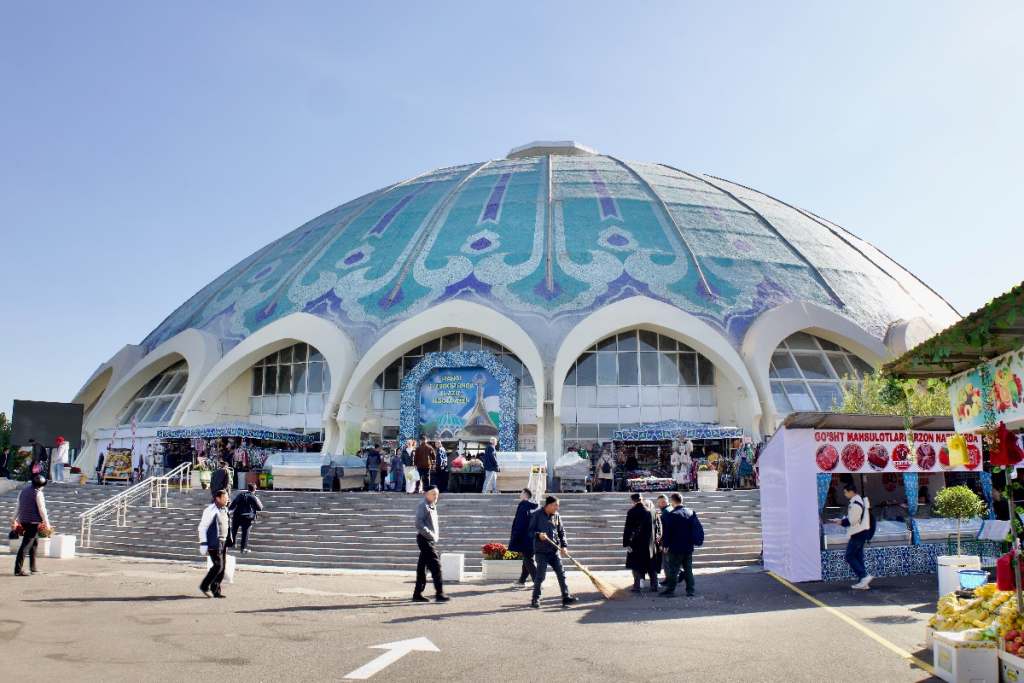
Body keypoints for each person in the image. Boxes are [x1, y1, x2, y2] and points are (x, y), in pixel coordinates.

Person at [528, 495, 578, 608]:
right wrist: (538, 535)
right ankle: (535, 599)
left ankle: (566, 597)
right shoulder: (536, 515)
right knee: (540, 576)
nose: (557, 508)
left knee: (561, 573)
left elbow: (561, 532)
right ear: (549, 505)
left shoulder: (556, 516)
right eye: (556, 505)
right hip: (541, 551)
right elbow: (530, 532)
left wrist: (564, 546)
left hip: (554, 550)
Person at [829, 483, 873, 590]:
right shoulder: (858, 502)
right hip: (861, 532)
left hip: (858, 533)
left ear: (851, 492)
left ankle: (864, 576)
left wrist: (839, 522)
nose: (844, 494)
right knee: (858, 557)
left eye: (845, 492)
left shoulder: (855, 504)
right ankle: (863, 582)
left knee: (849, 556)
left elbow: (851, 521)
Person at [659, 492, 704, 597]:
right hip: (688, 546)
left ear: (673, 501)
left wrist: (665, 545)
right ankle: (690, 590)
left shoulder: (672, 515)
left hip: (675, 547)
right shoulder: (690, 512)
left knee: (673, 569)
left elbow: (667, 532)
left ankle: (670, 590)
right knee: (688, 569)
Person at [413, 486, 450, 602]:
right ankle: (439, 593)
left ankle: (417, 594)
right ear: (426, 494)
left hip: (429, 539)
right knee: (436, 565)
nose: (436, 496)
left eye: (437, 494)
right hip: (425, 539)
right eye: (433, 494)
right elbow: (419, 523)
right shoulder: (423, 505)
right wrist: (430, 534)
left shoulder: (432, 505)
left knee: (422, 567)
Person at [11, 475, 51, 576]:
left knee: (34, 544)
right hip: (33, 522)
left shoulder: (23, 491)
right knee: (26, 545)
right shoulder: (38, 493)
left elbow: (18, 506)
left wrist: (13, 518)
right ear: (40, 485)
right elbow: (42, 510)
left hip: (23, 521)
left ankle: (33, 568)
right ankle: (18, 570)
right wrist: (47, 524)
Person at [198, 489, 231, 598]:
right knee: (218, 565)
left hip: (223, 541)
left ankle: (216, 590)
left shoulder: (224, 509)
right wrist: (203, 543)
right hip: (214, 542)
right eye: (225, 498)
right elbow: (202, 527)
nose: (227, 499)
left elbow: (226, 524)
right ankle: (204, 585)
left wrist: (229, 539)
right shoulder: (209, 510)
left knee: (222, 568)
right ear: (217, 498)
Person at [623, 493, 659, 592]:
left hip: (636, 543)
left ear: (633, 501)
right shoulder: (651, 511)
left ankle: (637, 585)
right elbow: (655, 527)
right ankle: (654, 585)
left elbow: (628, 529)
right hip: (649, 543)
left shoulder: (631, 512)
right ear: (642, 499)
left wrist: (626, 543)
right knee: (651, 565)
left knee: (636, 565)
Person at [509, 488, 539, 586]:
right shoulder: (533, 506)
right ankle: (522, 580)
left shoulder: (523, 505)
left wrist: (515, 536)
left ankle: (537, 581)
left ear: (526, 495)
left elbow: (520, 523)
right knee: (527, 558)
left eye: (521, 492)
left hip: (524, 537)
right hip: (531, 537)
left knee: (528, 559)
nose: (520, 494)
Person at [228, 483, 264, 553]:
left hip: (237, 515)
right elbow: (260, 508)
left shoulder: (240, 495)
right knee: (245, 533)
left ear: (248, 488)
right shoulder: (253, 497)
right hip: (247, 517)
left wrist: (229, 510)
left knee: (234, 530)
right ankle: (243, 548)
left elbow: (233, 505)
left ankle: (233, 544)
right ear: (255, 489)